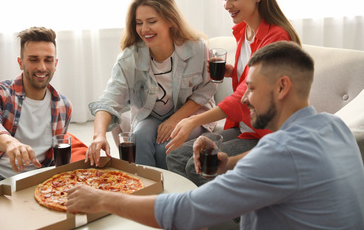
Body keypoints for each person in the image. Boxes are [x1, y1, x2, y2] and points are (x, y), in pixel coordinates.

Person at [67, 41, 364, 229]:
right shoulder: (332, 125)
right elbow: (283, 158)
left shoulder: (280, 153)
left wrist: (103, 199)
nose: (244, 98)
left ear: (282, 87)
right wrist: (228, 163)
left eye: (251, 87)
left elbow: (186, 212)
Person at [166, 0, 301, 186]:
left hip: (268, 135)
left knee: (197, 165)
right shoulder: (245, 32)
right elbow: (252, 81)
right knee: (175, 156)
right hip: (245, 128)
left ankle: (245, 215)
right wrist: (235, 72)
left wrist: (193, 119)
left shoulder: (277, 38)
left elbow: (245, 96)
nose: (227, 5)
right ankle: (200, 215)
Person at [86, 0, 217, 169]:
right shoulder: (129, 58)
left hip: (191, 114)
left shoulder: (197, 49)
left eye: (152, 21)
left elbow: (208, 88)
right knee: (138, 138)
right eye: (139, 23)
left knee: (165, 148)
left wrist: (175, 119)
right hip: (150, 115)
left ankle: (170, 193)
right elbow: (109, 99)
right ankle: (145, 188)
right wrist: (98, 136)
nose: (144, 29)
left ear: (170, 20)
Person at [0, 27, 87, 193]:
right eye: (33, 60)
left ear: (55, 64)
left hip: (35, 182)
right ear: (21, 62)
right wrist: (10, 143)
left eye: (48, 60)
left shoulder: (63, 106)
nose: (42, 67)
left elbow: (56, 157)